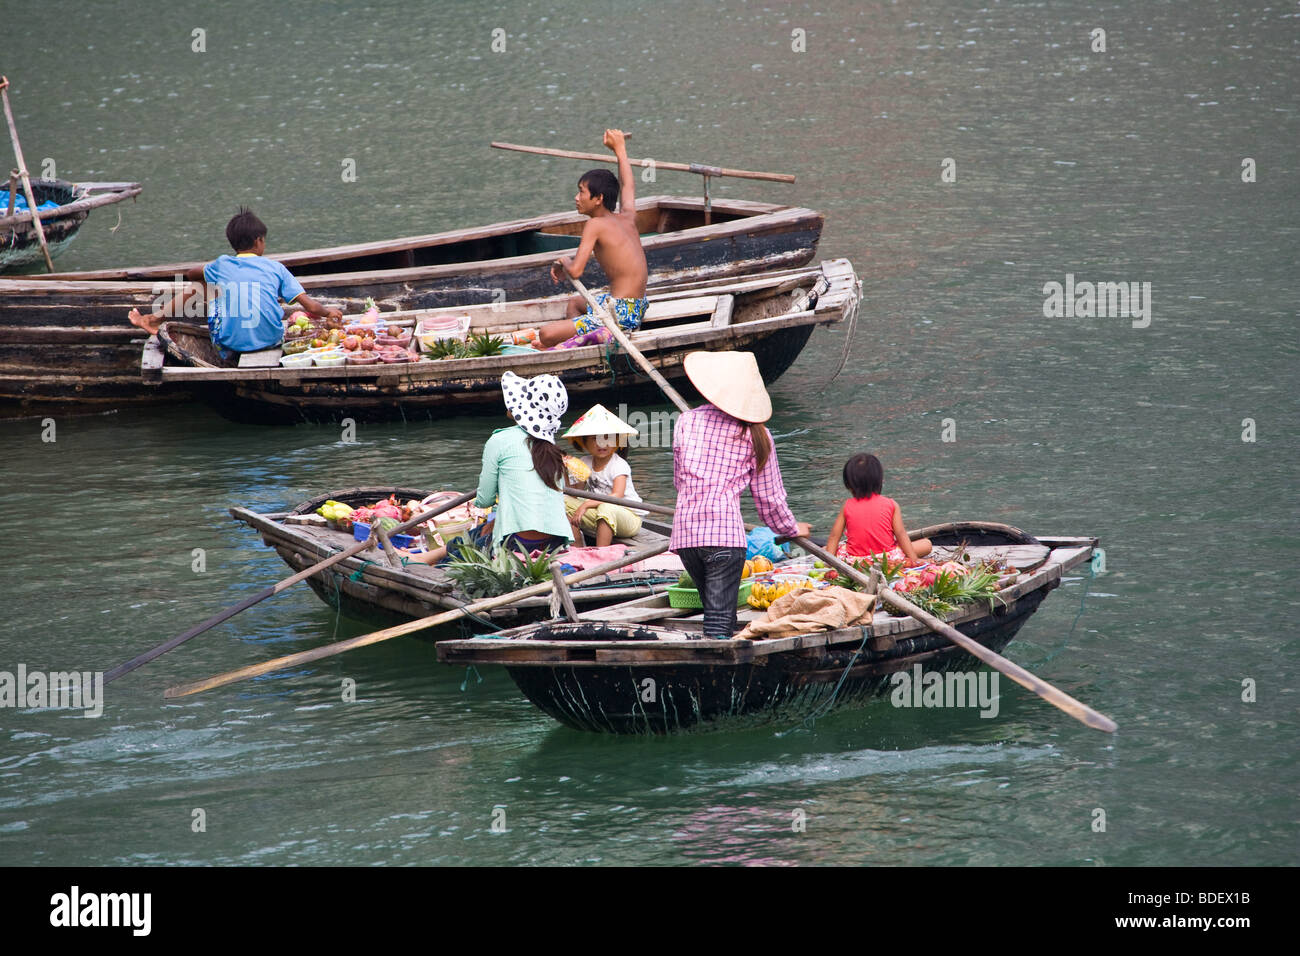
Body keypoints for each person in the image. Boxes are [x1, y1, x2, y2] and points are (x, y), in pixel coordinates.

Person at [670, 351, 812, 639]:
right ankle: (718, 676)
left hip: (685, 536)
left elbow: (680, 481)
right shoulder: (757, 435)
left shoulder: (685, 421)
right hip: (724, 538)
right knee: (719, 623)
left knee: (715, 613)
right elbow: (769, 501)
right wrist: (791, 529)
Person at [127, 207, 341, 359]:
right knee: (208, 284)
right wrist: (329, 312)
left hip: (228, 346)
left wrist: (208, 275)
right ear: (259, 241)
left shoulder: (221, 264)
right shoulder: (276, 268)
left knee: (201, 285)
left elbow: (190, 273)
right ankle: (153, 320)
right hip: (272, 341)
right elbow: (312, 307)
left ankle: (154, 319)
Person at [536, 128, 649, 349]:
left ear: (598, 199)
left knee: (545, 334)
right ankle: (582, 338)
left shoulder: (594, 225)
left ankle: (585, 337)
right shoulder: (627, 216)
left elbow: (576, 271)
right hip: (637, 306)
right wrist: (620, 150)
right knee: (575, 303)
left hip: (621, 314)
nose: (576, 198)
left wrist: (562, 260)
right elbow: (628, 185)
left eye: (581, 192)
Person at [474, 371, 574, 556]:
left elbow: (484, 500)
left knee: (465, 541)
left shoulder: (499, 440)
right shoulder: (553, 450)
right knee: (485, 530)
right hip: (556, 542)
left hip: (515, 543)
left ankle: (421, 557)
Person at [825, 452, 932, 566]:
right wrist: (914, 559)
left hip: (856, 561)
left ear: (849, 484)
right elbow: (901, 534)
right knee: (926, 544)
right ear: (879, 480)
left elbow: (834, 536)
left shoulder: (847, 505)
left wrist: (830, 564)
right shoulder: (891, 504)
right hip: (887, 559)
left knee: (826, 548)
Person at [562, 403, 644, 546]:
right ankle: (578, 548)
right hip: (599, 512)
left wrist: (586, 505)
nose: (602, 443)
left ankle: (602, 554)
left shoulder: (619, 464)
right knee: (563, 500)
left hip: (627, 517)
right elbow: (575, 493)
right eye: (595, 438)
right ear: (584, 442)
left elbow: (617, 496)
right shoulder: (585, 462)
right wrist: (567, 470)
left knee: (607, 507)